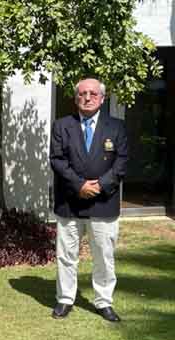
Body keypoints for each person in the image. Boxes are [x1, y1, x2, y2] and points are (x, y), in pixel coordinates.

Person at [50, 78, 128, 322]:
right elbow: (57, 160)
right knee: (66, 255)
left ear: (102, 99)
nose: (87, 97)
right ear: (76, 98)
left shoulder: (117, 127)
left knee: (104, 256)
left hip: (103, 202)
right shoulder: (62, 126)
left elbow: (122, 162)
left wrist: (100, 186)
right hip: (70, 202)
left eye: (93, 93)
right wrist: (80, 185)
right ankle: (65, 299)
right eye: (82, 93)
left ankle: (104, 301)